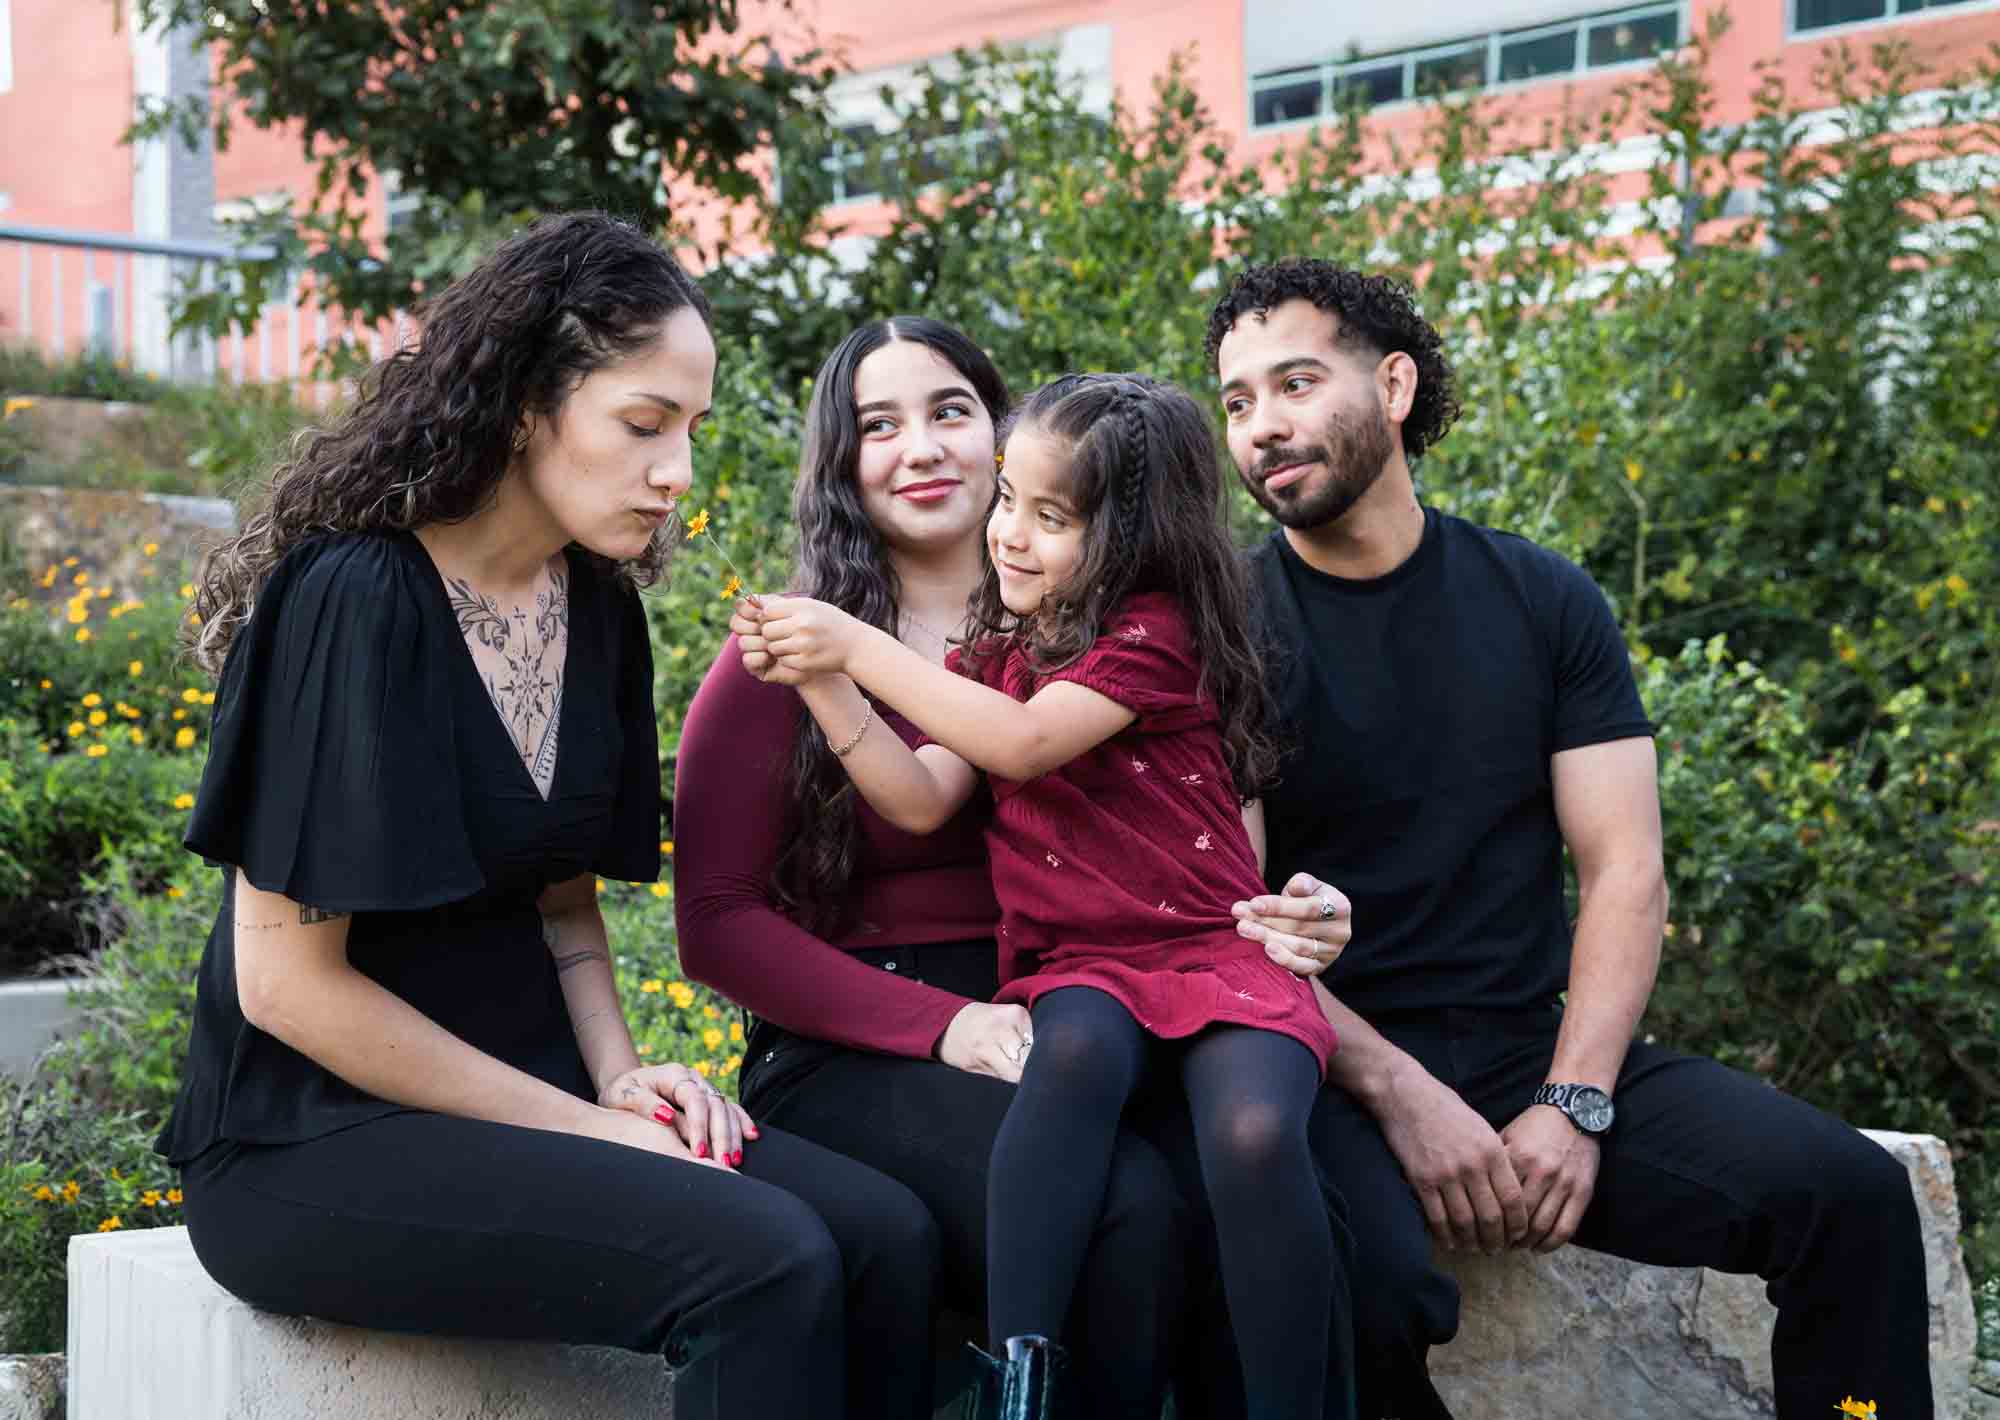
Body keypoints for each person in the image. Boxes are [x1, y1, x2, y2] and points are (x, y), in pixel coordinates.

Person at [155, 212, 941, 1420]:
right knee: (766, 1258)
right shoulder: (354, 597)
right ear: (528, 403)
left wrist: (622, 1082)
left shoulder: (598, 608)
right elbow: (288, 991)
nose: (676, 471)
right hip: (308, 1141)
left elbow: (563, 902)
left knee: (886, 1231)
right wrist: (590, 1128)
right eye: (643, 424)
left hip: (531, 1097)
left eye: (690, 429)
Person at [1204, 257, 1935, 1418]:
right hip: (1314, 1072)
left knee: (1845, 1197)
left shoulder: (1541, 599)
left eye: (1294, 383)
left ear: (1391, 387)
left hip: (1518, 1057)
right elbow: (1221, 923)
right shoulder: (1220, 632)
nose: (1261, 427)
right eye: (1236, 401)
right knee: (1371, 1291)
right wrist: (1397, 1092)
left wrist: (1573, 1100)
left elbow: (1623, 870)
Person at [735, 373, 1355, 1420]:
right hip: (1080, 963)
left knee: (1252, 1132)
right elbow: (923, 794)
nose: (1009, 535)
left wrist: (859, 647)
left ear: (1129, 539)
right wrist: (823, 680)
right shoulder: (997, 654)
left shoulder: (1153, 636)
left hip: (1209, 948)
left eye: (1049, 517)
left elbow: (1023, 740)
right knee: (1067, 1063)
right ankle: (1019, 1376)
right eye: (1008, 501)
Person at [676, 320, 1205, 1419]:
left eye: (949, 411)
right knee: (1123, 1206)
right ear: (841, 462)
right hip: (854, 1043)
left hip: (1069, 1012)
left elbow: (1203, 820)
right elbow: (716, 924)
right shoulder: (787, 647)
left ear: (1007, 436)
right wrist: (937, 1025)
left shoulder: (1088, 643)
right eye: (879, 425)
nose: (919, 446)